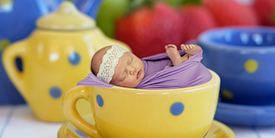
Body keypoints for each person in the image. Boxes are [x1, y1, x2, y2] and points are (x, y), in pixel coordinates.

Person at [78, 44, 212, 89]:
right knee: (180, 79)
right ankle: (180, 63)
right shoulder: (140, 89)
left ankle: (185, 59)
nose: (132, 69)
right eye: (124, 74)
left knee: (178, 64)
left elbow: (160, 63)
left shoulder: (145, 64)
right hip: (180, 83)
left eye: (130, 61)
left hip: (199, 81)